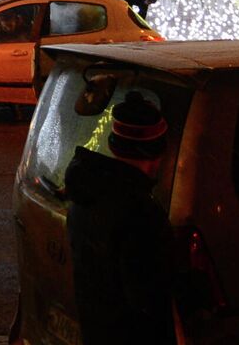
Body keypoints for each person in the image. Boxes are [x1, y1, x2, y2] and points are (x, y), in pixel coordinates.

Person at [65, 93, 176, 344]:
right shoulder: (139, 213)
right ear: (158, 151)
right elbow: (148, 300)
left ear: (114, 146)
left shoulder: (86, 193)